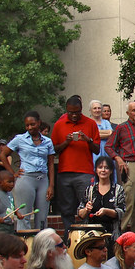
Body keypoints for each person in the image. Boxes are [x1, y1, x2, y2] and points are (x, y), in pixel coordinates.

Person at [51, 96, 99, 232]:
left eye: (76, 112)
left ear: (81, 110)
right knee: (67, 209)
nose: (73, 115)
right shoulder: (59, 125)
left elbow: (96, 149)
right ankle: (69, 237)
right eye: (70, 112)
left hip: (84, 172)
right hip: (64, 173)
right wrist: (66, 142)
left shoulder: (90, 123)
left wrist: (87, 139)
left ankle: (86, 236)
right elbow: (53, 150)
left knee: (87, 206)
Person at [0, 112, 55, 231]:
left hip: (43, 179)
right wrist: (12, 173)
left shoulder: (47, 141)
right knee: (24, 216)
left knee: (42, 218)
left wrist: (51, 185)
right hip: (26, 179)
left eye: (32, 124)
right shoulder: (19, 139)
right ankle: (25, 246)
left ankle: (42, 246)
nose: (30, 127)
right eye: (27, 125)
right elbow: (3, 155)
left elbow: (51, 164)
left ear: (39, 123)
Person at [104, 100, 135, 234]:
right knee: (128, 199)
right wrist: (118, 159)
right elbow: (108, 146)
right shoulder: (121, 128)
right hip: (129, 165)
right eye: (134, 110)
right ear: (128, 113)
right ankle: (121, 230)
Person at [77, 155, 124, 243]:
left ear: (110, 171)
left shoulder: (118, 189)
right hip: (92, 235)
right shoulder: (90, 190)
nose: (103, 170)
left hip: (112, 235)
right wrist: (86, 209)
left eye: (106, 168)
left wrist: (106, 211)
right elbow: (80, 214)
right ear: (96, 170)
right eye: (100, 167)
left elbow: (121, 212)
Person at [90, 100, 113, 167]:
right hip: (94, 152)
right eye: (95, 108)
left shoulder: (106, 122)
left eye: (99, 108)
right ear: (90, 110)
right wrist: (106, 133)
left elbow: (111, 133)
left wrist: (96, 134)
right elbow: (90, 135)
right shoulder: (89, 123)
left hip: (106, 151)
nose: (97, 110)